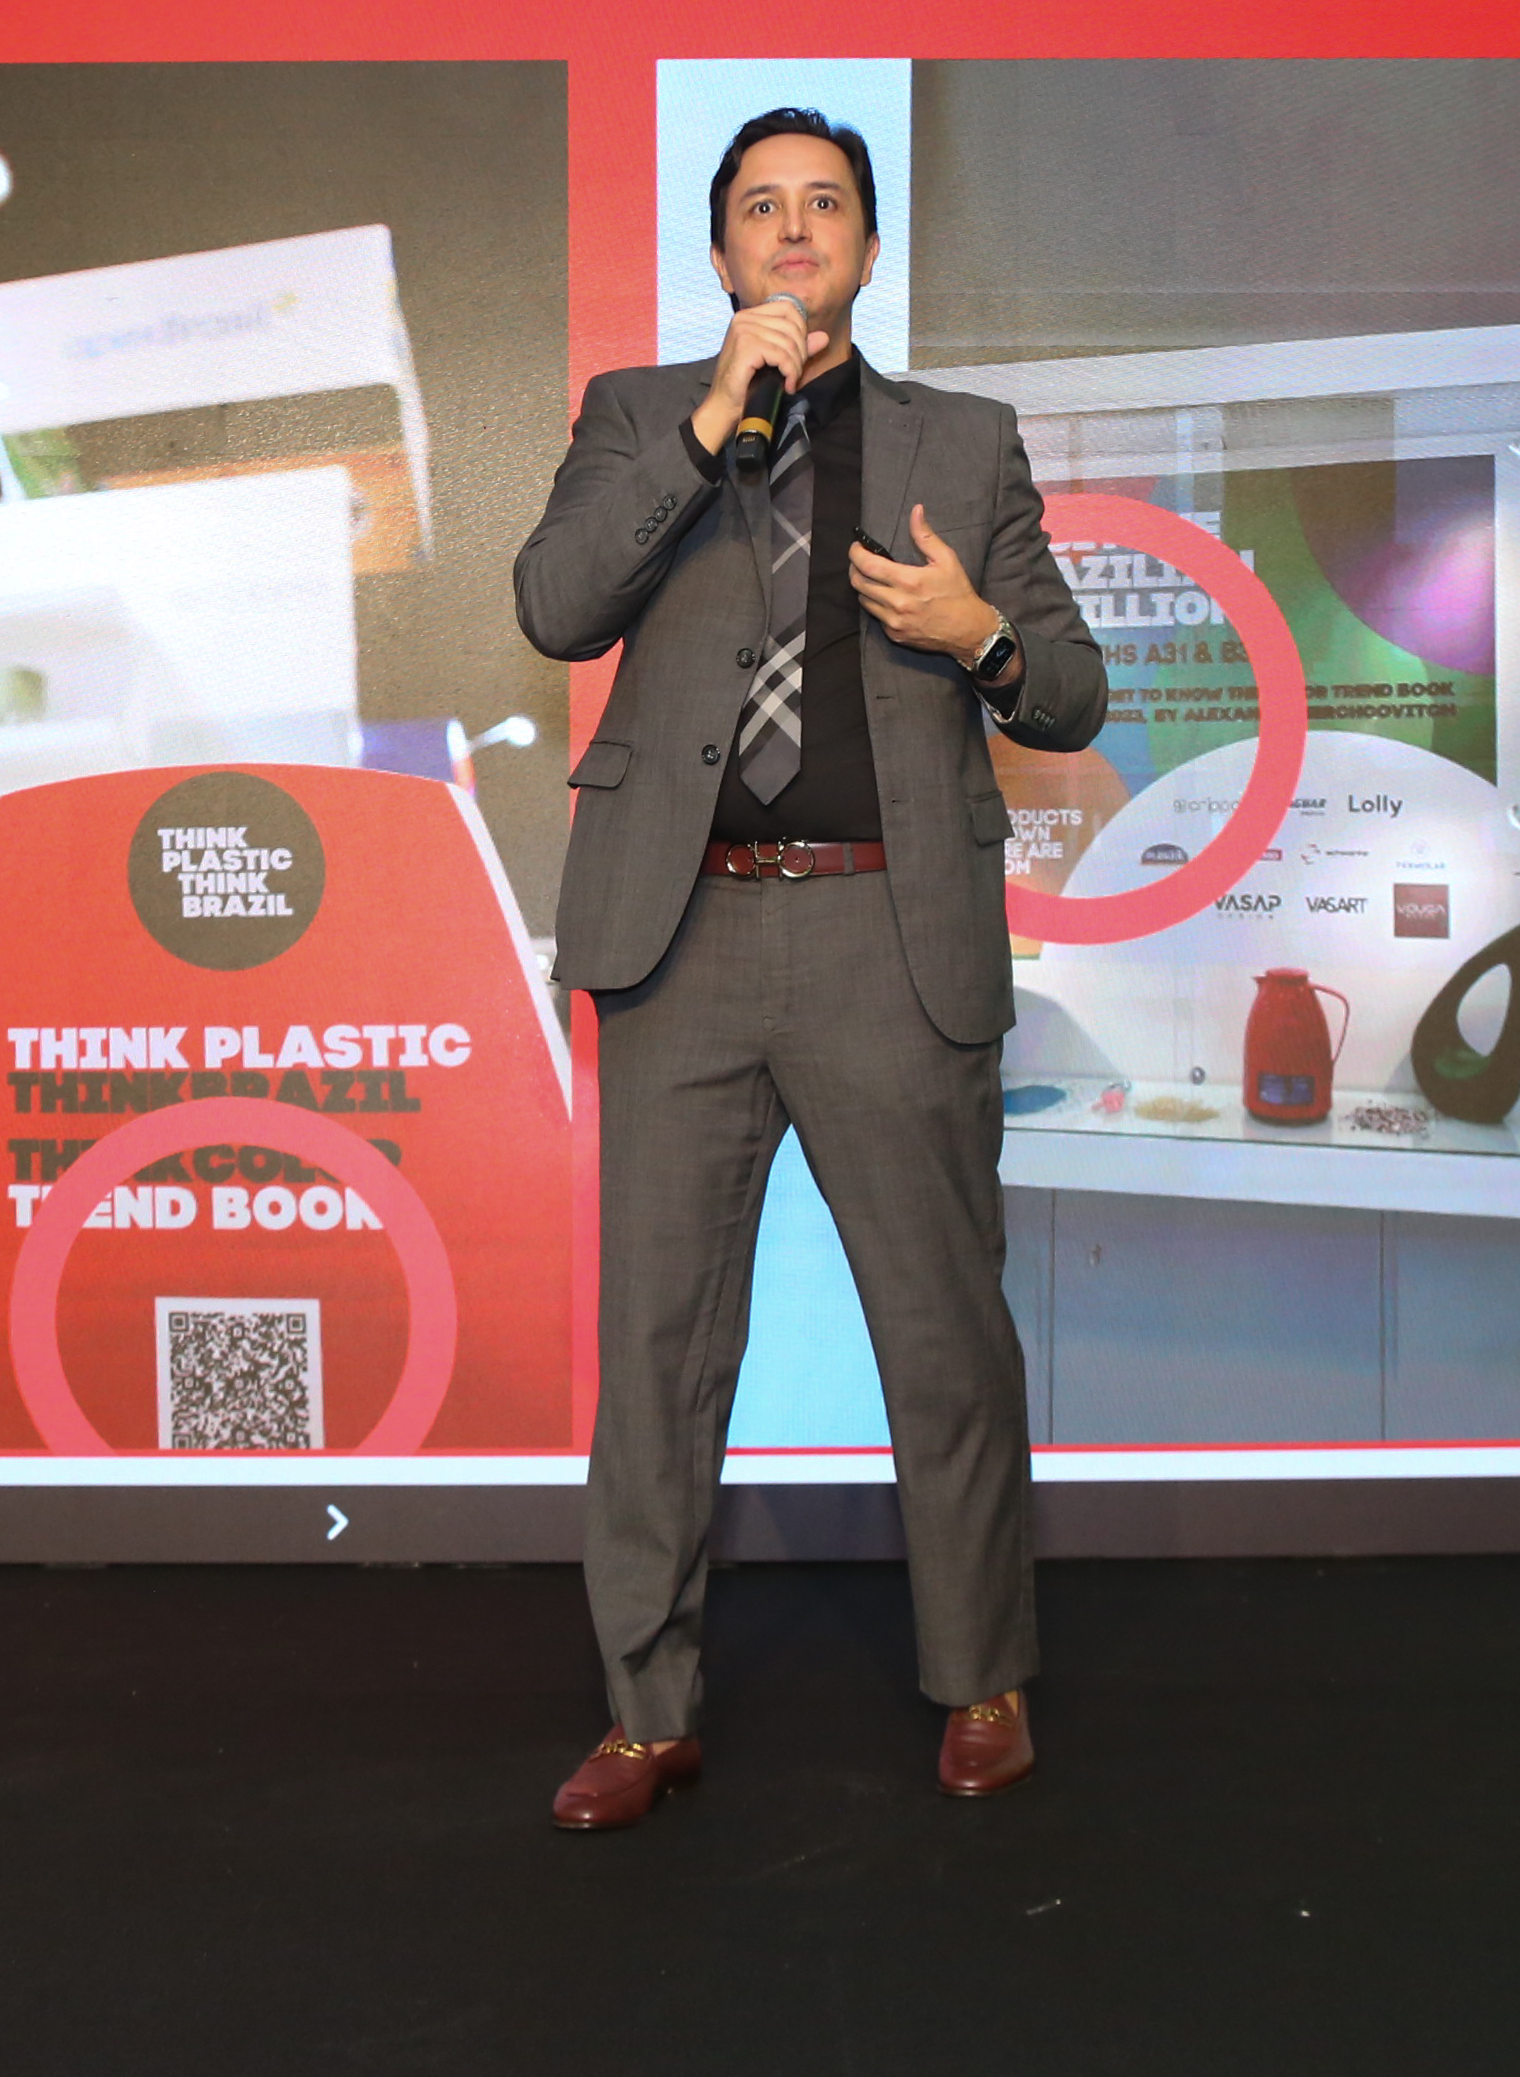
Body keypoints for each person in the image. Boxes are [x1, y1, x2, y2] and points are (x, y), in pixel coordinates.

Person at [513, 108, 1106, 1830]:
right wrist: (712, 422)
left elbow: (1071, 688)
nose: (792, 230)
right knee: (660, 1344)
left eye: (823, 203)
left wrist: (976, 637)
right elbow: (556, 606)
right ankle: (647, 1714)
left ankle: (982, 1677)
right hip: (681, 935)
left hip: (886, 933)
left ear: (868, 245)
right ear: (721, 254)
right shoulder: (640, 414)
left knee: (943, 1333)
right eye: (760, 207)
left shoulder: (964, 440)